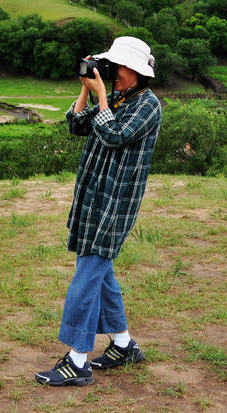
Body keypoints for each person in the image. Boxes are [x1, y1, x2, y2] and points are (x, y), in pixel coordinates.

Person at [36, 36, 162, 387]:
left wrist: (102, 96)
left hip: (115, 202)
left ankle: (77, 360)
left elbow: (116, 135)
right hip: (93, 197)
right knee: (99, 273)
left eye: (115, 67)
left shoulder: (147, 105)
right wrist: (85, 90)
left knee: (87, 276)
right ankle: (123, 346)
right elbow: (77, 125)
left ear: (135, 71)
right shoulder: (120, 97)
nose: (111, 73)